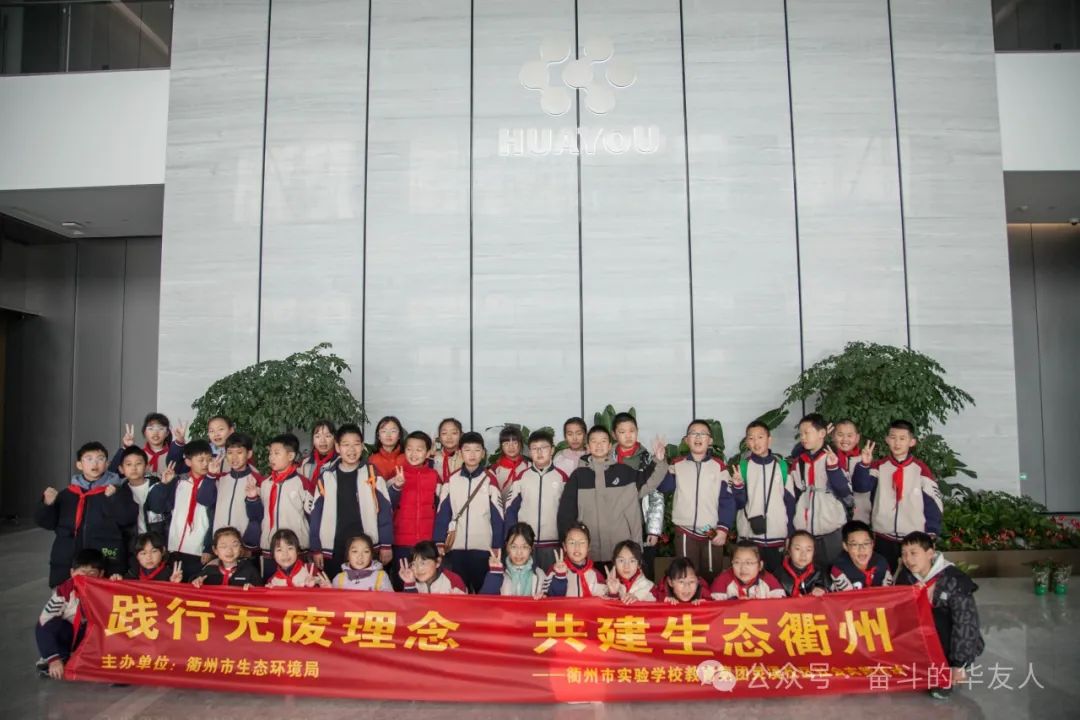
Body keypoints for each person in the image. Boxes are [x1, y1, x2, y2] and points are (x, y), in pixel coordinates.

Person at [557, 426, 668, 566]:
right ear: (588, 447)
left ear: (610, 446)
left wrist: (658, 460)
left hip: (622, 552)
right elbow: (566, 513)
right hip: (588, 553)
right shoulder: (578, 476)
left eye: (603, 441)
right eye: (594, 441)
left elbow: (649, 480)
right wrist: (567, 543)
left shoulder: (625, 472)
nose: (599, 445)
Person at [894, 531, 985, 698]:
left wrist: (959, 664)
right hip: (921, 640)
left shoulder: (954, 580)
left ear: (930, 553)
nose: (908, 559)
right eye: (904, 554)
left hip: (947, 641)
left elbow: (966, 624)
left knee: (939, 617)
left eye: (913, 553)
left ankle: (948, 668)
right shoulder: (905, 577)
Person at [37, 441, 136, 586]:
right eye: (89, 459)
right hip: (66, 563)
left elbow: (128, 519)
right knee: (65, 598)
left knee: (102, 598)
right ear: (79, 464)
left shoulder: (117, 491)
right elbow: (47, 523)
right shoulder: (67, 494)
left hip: (106, 561)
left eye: (100, 459)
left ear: (107, 464)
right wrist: (47, 504)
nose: (94, 463)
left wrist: (114, 499)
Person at [852, 420, 943, 572]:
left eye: (902, 438)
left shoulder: (921, 470)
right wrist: (864, 464)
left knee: (911, 579)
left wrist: (931, 533)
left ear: (912, 442)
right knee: (884, 576)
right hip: (883, 536)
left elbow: (932, 503)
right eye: (893, 437)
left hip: (913, 539)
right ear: (887, 439)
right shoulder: (879, 467)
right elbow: (861, 487)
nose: (897, 443)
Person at [309, 423, 393, 574]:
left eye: (356, 444)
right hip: (334, 547)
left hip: (366, 548)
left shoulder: (372, 474)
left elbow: (385, 511)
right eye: (346, 445)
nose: (352, 450)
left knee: (366, 586)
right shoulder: (326, 476)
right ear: (337, 447)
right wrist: (316, 548)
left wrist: (386, 545)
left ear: (362, 446)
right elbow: (316, 514)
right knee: (335, 585)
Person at [655, 420, 732, 581]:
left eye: (703, 433)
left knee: (712, 576)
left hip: (712, 532)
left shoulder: (719, 466)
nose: (698, 437)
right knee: (686, 577)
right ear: (686, 440)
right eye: (693, 433)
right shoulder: (677, 464)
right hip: (685, 531)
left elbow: (727, 500)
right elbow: (664, 487)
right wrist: (661, 462)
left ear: (710, 440)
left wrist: (723, 528)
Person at [433, 431, 504, 593]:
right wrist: (439, 541)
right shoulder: (452, 480)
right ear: (460, 453)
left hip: (483, 549)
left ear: (483, 453)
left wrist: (497, 545)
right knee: (458, 591)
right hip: (456, 548)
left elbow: (498, 516)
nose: (472, 454)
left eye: (477, 450)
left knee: (483, 592)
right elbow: (443, 513)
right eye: (467, 450)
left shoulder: (490, 479)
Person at [146, 439, 220, 581]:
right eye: (201, 460)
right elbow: (157, 507)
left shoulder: (215, 483)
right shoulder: (177, 481)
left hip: (199, 550)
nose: (206, 464)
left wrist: (208, 547)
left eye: (209, 459)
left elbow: (215, 519)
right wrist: (163, 485)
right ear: (188, 462)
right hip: (173, 547)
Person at [732, 420, 794, 577]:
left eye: (760, 437)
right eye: (751, 438)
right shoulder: (743, 466)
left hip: (777, 535)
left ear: (769, 439)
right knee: (750, 580)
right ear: (747, 442)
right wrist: (737, 487)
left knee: (777, 580)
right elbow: (739, 503)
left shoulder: (782, 466)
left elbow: (790, 503)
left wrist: (790, 534)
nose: (756, 442)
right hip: (750, 536)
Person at [790, 413, 853, 568]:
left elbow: (844, 490)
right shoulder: (799, 462)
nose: (803, 437)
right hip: (805, 532)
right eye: (801, 434)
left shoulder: (834, 457)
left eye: (807, 433)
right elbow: (794, 495)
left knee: (834, 569)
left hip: (831, 530)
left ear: (822, 433)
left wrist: (833, 468)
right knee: (808, 571)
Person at [248, 433, 313, 578]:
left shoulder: (302, 483)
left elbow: (313, 517)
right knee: (272, 585)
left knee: (297, 585)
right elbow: (258, 516)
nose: (271, 457)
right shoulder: (265, 484)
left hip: (296, 549)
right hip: (269, 548)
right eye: (270, 453)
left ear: (290, 456)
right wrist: (252, 498)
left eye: (276, 453)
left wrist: (316, 548)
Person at [34, 549, 105, 679]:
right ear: (72, 573)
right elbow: (44, 625)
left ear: (101, 574)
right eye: (81, 573)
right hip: (72, 634)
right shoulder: (64, 592)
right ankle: (57, 657)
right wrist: (53, 659)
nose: (85, 577)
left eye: (92, 573)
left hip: (96, 636)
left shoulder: (107, 590)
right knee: (54, 625)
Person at [611, 412, 665, 580]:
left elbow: (656, 495)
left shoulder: (648, 458)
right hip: (614, 524)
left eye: (632, 431)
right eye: (622, 432)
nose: (628, 436)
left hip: (641, 524)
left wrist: (653, 529)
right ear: (614, 434)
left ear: (637, 431)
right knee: (616, 571)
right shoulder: (608, 458)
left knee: (643, 573)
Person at [504, 430, 567, 571]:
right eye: (534, 448)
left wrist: (565, 540)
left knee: (552, 580)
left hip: (553, 545)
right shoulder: (522, 478)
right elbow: (510, 510)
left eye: (543, 447)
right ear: (529, 451)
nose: (539, 452)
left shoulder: (562, 478)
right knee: (526, 582)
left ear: (552, 450)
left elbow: (569, 512)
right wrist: (512, 540)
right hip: (525, 546)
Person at [388, 430, 441, 564]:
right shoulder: (396, 474)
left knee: (425, 575)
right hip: (401, 541)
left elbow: (441, 508)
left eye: (419, 450)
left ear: (427, 453)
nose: (413, 454)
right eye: (409, 449)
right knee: (403, 575)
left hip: (427, 542)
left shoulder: (434, 476)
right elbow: (387, 506)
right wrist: (397, 486)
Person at [211, 432, 263, 551]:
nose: (234, 457)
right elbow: (205, 501)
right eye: (230, 453)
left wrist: (248, 545)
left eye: (239, 453)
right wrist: (210, 476)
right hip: (220, 545)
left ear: (249, 454)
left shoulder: (259, 481)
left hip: (244, 546)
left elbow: (258, 517)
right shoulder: (220, 479)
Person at [480, 522, 549, 597]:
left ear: (531, 548)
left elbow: (551, 600)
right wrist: (495, 574)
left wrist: (544, 598)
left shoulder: (540, 575)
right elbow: (484, 600)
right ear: (507, 547)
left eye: (525, 547)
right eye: (514, 547)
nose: (519, 553)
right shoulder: (498, 573)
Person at [108, 413, 186, 478]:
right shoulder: (137, 455)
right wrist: (126, 447)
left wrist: (179, 442)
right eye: (151, 428)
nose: (155, 432)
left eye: (160, 428)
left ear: (167, 433)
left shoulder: (174, 454)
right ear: (145, 432)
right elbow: (112, 473)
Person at [829, 520, 893, 591]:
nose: (861, 549)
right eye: (855, 544)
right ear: (845, 546)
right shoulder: (839, 569)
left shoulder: (882, 563)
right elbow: (847, 597)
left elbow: (888, 593)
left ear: (872, 544)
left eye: (866, 543)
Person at [547, 523, 606, 597]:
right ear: (565, 546)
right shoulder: (554, 570)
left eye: (582, 542)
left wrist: (612, 593)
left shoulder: (596, 575)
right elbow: (551, 599)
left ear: (588, 547)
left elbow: (605, 599)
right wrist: (560, 576)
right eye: (572, 543)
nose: (577, 547)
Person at [709, 541, 785, 600]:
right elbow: (713, 608)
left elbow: (780, 606)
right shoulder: (722, 581)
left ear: (760, 565)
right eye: (737, 562)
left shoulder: (769, 581)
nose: (743, 568)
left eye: (749, 563)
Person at [192, 526, 262, 588]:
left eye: (235, 545)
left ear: (241, 548)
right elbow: (192, 584)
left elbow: (261, 592)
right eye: (223, 546)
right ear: (215, 550)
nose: (229, 550)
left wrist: (254, 590)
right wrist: (196, 582)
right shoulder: (209, 570)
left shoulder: (250, 571)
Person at [832, 419, 869, 523]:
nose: (845, 439)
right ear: (833, 436)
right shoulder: (828, 459)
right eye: (840, 435)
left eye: (849, 435)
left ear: (857, 438)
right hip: (833, 520)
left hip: (860, 519)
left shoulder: (865, 459)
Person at [264, 529, 329, 588]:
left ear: (297, 551)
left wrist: (319, 584)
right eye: (279, 550)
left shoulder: (310, 570)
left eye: (290, 548)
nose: (285, 554)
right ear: (273, 554)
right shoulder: (272, 582)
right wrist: (270, 593)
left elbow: (326, 593)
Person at [329, 534, 394, 591]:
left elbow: (390, 600)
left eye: (366, 551)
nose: (360, 556)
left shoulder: (381, 577)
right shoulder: (339, 579)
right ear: (348, 556)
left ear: (371, 556)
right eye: (355, 551)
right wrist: (329, 590)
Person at [110, 531, 182, 582]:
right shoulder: (133, 573)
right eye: (143, 553)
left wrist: (173, 584)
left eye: (154, 551)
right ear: (137, 556)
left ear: (163, 551)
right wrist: (118, 580)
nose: (148, 557)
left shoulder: (171, 575)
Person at [399, 540, 467, 594]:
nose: (418, 569)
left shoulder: (454, 580)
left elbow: (463, 605)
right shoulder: (411, 580)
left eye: (423, 563)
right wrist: (410, 584)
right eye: (413, 564)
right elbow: (410, 606)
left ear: (438, 562)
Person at [775, 530, 827, 597]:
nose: (803, 554)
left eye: (808, 550)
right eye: (798, 549)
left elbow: (826, 587)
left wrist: (820, 589)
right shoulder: (778, 574)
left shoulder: (819, 572)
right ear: (789, 550)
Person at [491, 425, 529, 512]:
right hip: (502, 515)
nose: (511, 447)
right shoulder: (494, 470)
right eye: (506, 444)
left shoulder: (529, 467)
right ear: (501, 446)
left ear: (521, 444)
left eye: (515, 443)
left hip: (525, 514)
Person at [300, 420, 338, 486]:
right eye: (317, 436)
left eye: (327, 436)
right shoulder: (305, 463)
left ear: (334, 439)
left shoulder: (340, 462)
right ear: (313, 440)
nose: (322, 440)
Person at [369, 416, 405, 480]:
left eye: (393, 431)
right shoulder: (372, 460)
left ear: (399, 435)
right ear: (378, 436)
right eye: (384, 431)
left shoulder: (407, 459)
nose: (388, 435)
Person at [433, 418, 464, 482]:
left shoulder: (466, 456)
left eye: (454, 433)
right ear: (439, 437)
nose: (449, 437)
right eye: (444, 433)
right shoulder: (433, 457)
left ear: (461, 435)